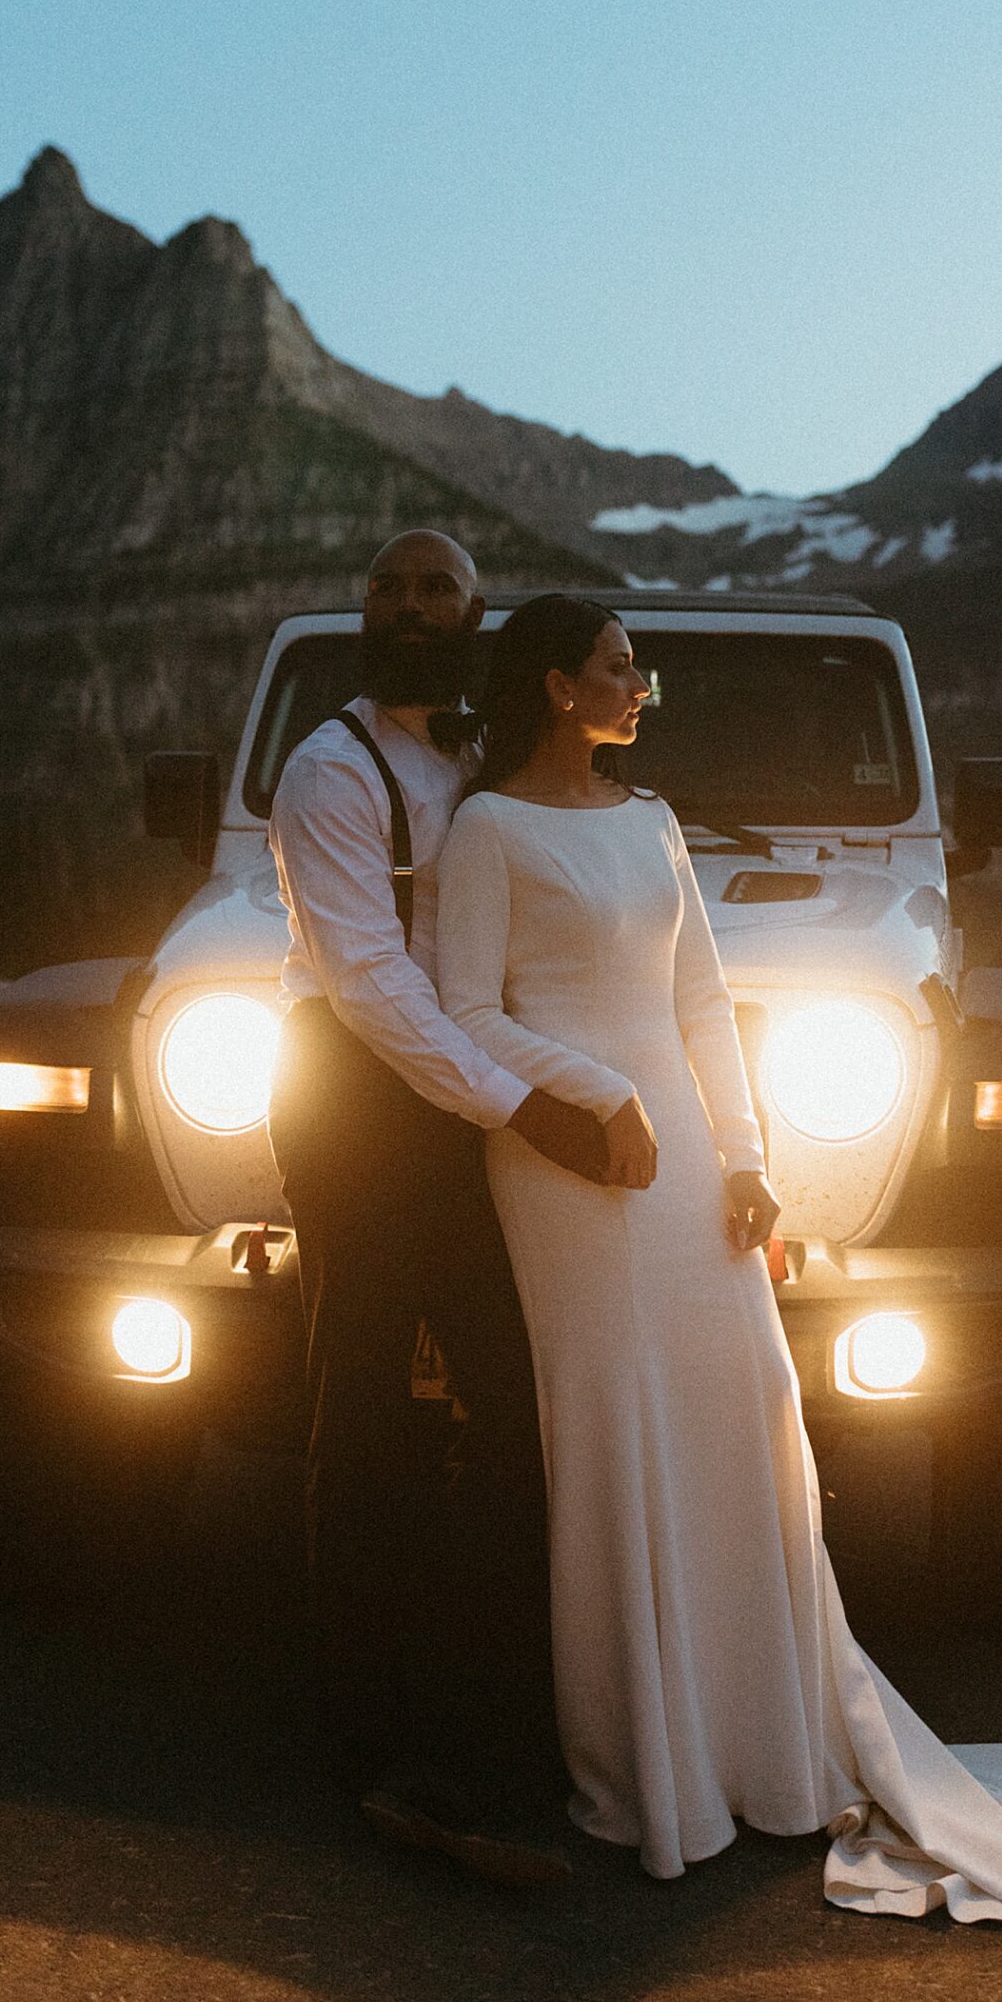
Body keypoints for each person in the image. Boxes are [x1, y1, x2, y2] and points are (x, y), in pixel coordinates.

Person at [434, 592, 1002, 1951]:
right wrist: (595, 1095)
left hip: (685, 1157)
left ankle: (761, 1749)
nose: (644, 689)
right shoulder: (484, 831)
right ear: (556, 686)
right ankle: (653, 1775)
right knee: (611, 1434)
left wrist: (745, 1155)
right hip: (565, 1161)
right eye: (623, 669)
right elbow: (466, 1011)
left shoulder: (647, 824)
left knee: (744, 1416)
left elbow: (699, 1001)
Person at [266, 532, 645, 1890]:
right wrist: (523, 1104)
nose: (408, 606)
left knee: (511, 1405)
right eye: (386, 587)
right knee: (362, 1411)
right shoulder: (332, 768)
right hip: (363, 1118)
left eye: (435, 590)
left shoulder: (475, 765)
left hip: (469, 1114)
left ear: (478, 622)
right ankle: (371, 1750)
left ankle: (506, 1716)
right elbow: (368, 983)